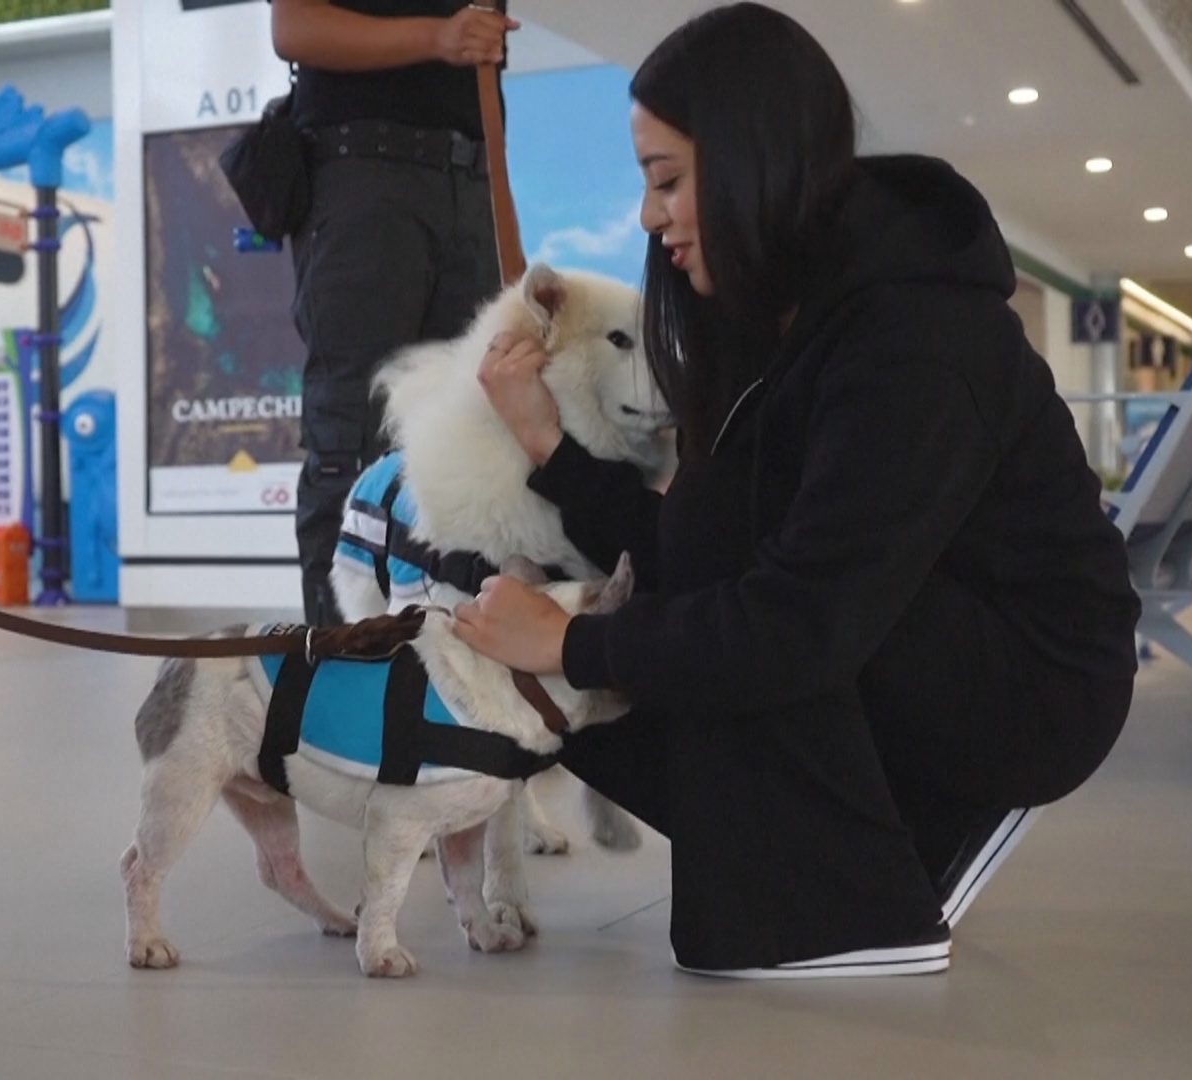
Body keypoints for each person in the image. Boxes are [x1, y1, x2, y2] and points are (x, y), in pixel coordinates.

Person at [451, 2, 1142, 979]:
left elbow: (804, 617)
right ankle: (855, 846)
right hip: (896, 624)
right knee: (600, 691)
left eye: (667, 181)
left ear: (749, 160)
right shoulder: (787, 315)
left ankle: (857, 897)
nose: (650, 216)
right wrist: (545, 446)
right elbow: (699, 544)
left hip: (1031, 688)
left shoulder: (913, 339)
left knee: (630, 652)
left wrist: (571, 640)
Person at [269, 0, 520, 626]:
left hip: (470, 174)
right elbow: (292, 26)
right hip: (363, 175)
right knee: (355, 436)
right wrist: (440, 36)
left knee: (472, 432)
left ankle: (445, 673)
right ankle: (337, 672)